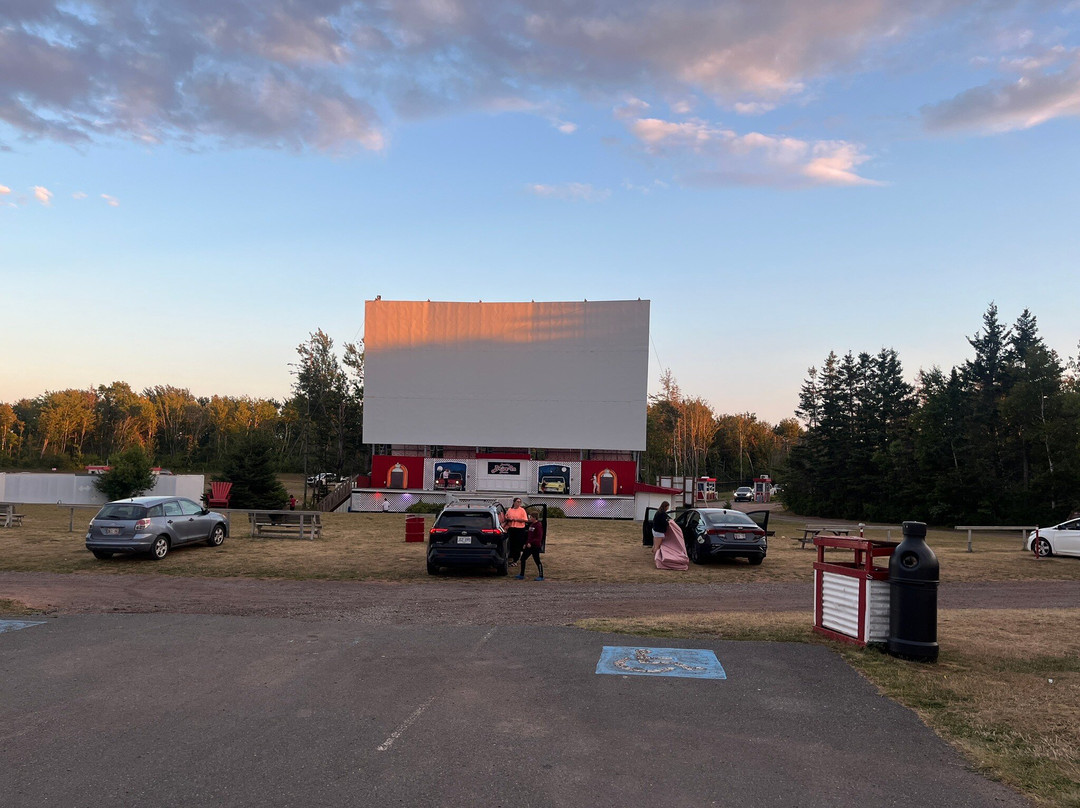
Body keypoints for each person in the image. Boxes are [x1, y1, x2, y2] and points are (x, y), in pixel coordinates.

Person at [653, 501, 689, 571]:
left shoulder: (659, 512)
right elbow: (664, 523)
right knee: (657, 547)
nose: (668, 508)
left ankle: (656, 557)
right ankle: (657, 560)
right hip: (659, 532)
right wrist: (669, 523)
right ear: (665, 507)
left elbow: (665, 518)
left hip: (656, 531)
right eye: (667, 507)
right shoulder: (662, 513)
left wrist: (669, 520)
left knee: (656, 545)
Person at [516, 512, 545, 581]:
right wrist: (526, 543)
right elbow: (529, 536)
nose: (529, 518)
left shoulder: (538, 525)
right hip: (529, 546)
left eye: (531, 517)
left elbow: (539, 537)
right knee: (523, 559)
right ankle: (521, 574)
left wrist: (532, 543)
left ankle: (541, 575)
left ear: (534, 518)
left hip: (535, 546)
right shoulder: (531, 525)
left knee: (537, 560)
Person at [505, 497, 529, 567]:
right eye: (517, 502)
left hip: (520, 529)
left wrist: (517, 519)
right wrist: (509, 519)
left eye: (520, 502)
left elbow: (525, 520)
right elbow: (506, 517)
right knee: (511, 543)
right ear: (514, 502)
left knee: (518, 544)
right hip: (511, 528)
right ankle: (510, 557)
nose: (518, 503)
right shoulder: (510, 510)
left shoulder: (522, 510)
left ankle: (516, 560)